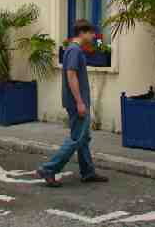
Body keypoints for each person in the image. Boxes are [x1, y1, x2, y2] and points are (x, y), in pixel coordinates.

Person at [37, 19, 109, 187]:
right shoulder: (74, 51)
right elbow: (71, 76)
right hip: (77, 102)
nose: (94, 36)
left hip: (77, 101)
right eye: (91, 33)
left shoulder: (74, 50)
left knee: (83, 138)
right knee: (77, 138)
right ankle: (48, 169)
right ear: (82, 33)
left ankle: (88, 172)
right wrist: (80, 102)